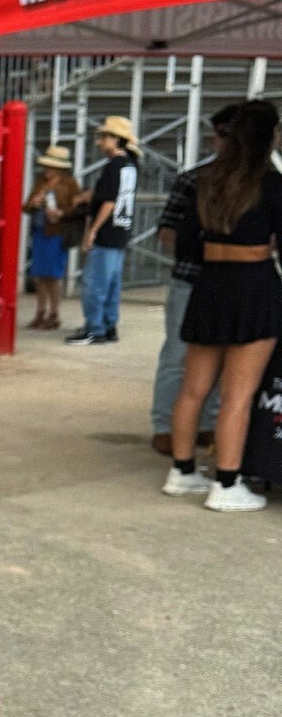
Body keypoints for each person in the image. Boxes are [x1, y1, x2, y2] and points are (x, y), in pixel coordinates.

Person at [165, 98, 282, 513]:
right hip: (255, 287)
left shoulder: (206, 180)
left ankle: (181, 471)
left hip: (209, 285)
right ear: (270, 136)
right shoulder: (273, 184)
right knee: (238, 394)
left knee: (193, 388)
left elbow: (184, 244)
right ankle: (226, 483)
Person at [149, 105, 238, 455]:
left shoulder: (260, 183)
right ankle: (164, 425)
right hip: (192, 279)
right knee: (178, 353)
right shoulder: (193, 180)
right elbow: (166, 230)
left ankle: (207, 425)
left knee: (223, 354)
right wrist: (196, 253)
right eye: (221, 135)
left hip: (225, 281)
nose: (222, 142)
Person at [65, 116, 140, 346]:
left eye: (104, 137)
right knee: (111, 284)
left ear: (116, 140)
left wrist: (93, 230)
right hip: (121, 230)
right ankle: (108, 325)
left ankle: (94, 328)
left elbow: (109, 201)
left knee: (95, 284)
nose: (100, 142)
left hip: (107, 232)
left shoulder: (113, 166)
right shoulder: (130, 164)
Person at [23, 144, 82, 330]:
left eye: (50, 166)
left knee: (54, 275)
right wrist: (33, 203)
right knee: (40, 275)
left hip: (57, 233)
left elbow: (77, 208)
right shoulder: (40, 182)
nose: (46, 170)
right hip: (40, 231)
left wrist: (61, 213)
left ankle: (54, 313)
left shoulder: (69, 183)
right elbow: (26, 206)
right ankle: (40, 312)